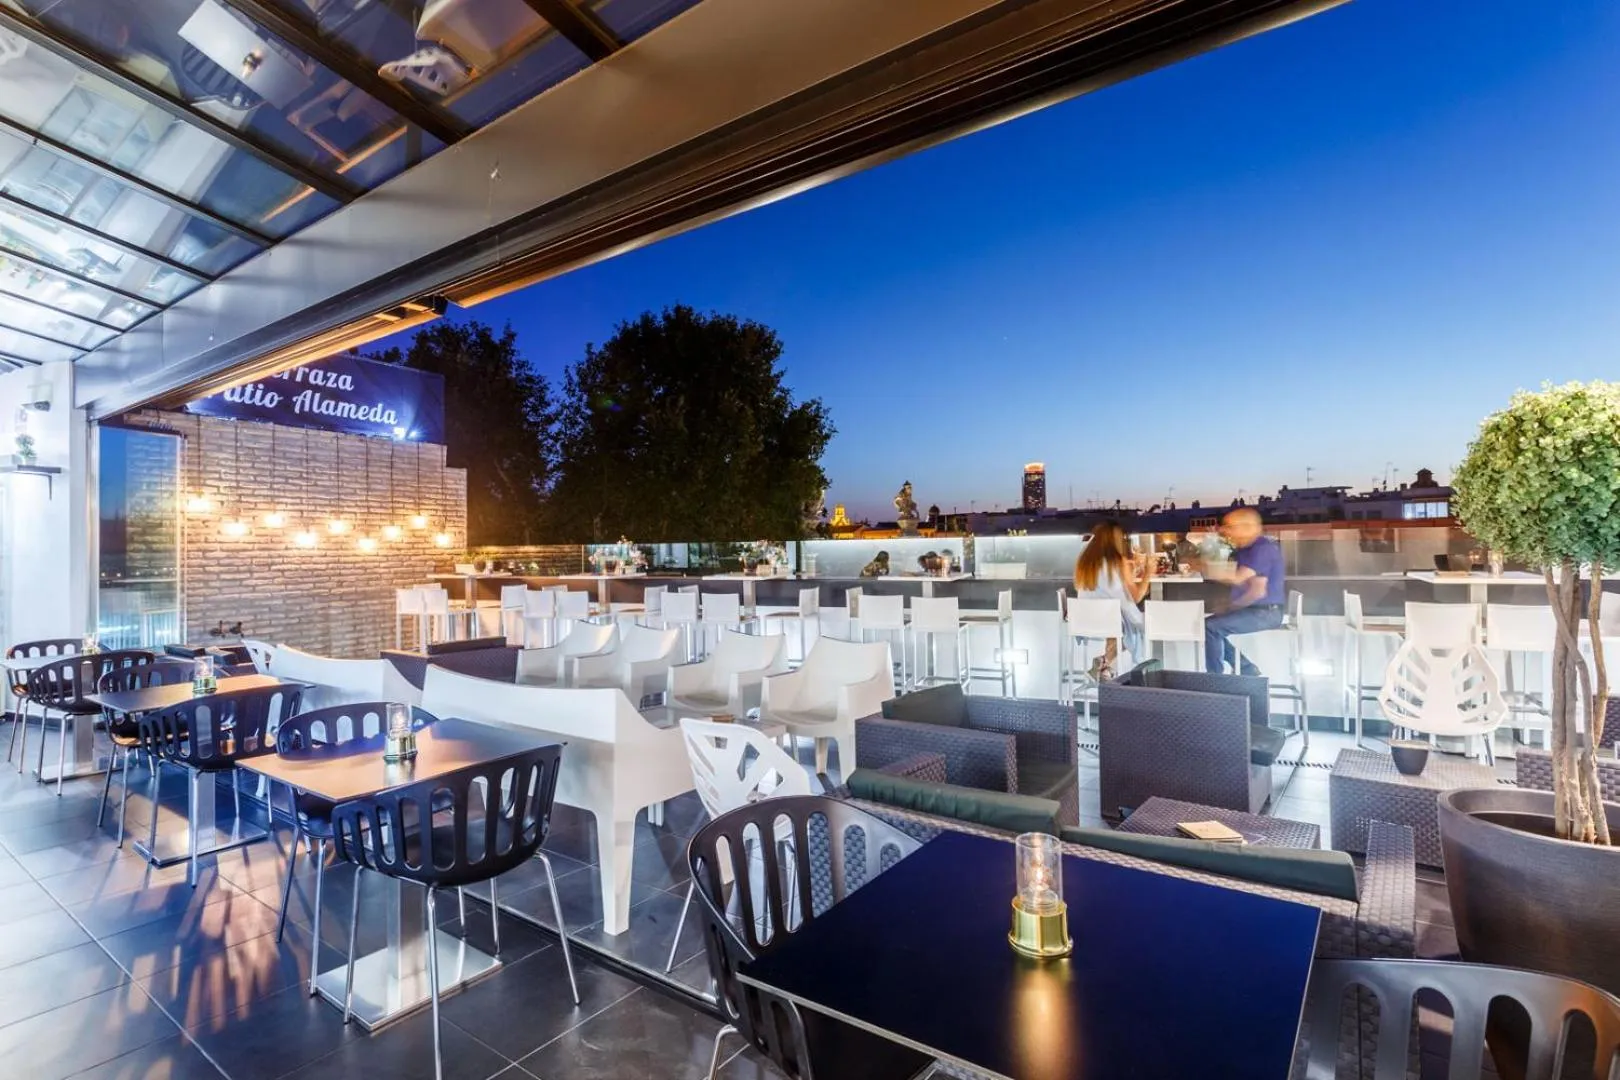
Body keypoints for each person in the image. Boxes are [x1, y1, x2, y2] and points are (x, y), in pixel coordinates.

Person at [1201, 508, 1286, 675]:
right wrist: (1231, 607)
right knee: (1209, 627)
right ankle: (1246, 669)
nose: (1226, 530)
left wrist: (1211, 570)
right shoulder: (1245, 549)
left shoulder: (1262, 549)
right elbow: (1255, 587)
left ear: (1247, 527)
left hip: (1266, 613)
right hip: (1258, 609)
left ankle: (1215, 679)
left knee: (1211, 628)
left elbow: (1246, 583)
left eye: (1230, 526)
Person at [1072, 521, 1152, 676]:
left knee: (1118, 624)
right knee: (1130, 626)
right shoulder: (1117, 561)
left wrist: (1129, 570)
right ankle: (1106, 666)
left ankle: (1103, 667)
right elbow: (1136, 597)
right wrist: (1149, 571)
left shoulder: (1085, 561)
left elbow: (1104, 586)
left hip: (1083, 619)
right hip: (1109, 620)